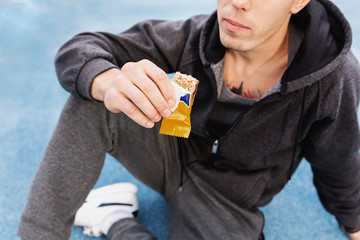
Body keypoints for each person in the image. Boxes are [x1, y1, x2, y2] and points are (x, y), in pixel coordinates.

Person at [17, 0, 360, 239]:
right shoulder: (193, 36)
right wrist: (107, 81)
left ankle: (114, 219)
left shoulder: (332, 76)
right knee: (96, 96)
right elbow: (80, 48)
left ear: (298, 1)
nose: (237, 2)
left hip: (229, 197)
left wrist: (353, 220)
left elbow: (338, 158)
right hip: (170, 149)